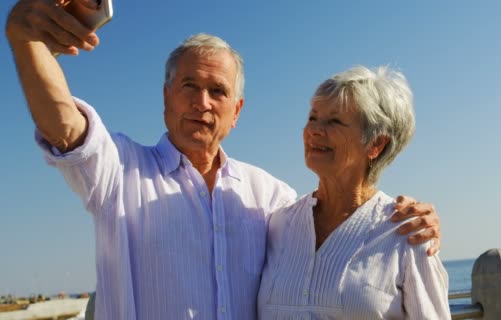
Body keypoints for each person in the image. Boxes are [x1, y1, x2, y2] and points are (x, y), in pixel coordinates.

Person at [6, 1, 443, 319]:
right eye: (188, 86)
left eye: (218, 91)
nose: (202, 102)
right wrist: (25, 40)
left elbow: (340, 220)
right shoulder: (119, 170)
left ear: (237, 112)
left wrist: (416, 219)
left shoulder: (271, 199)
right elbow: (63, 125)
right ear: (165, 97)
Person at [258, 66, 450, 319]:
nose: (314, 130)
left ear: (375, 144)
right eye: (313, 117)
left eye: (334, 121)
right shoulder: (278, 224)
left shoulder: (406, 234)